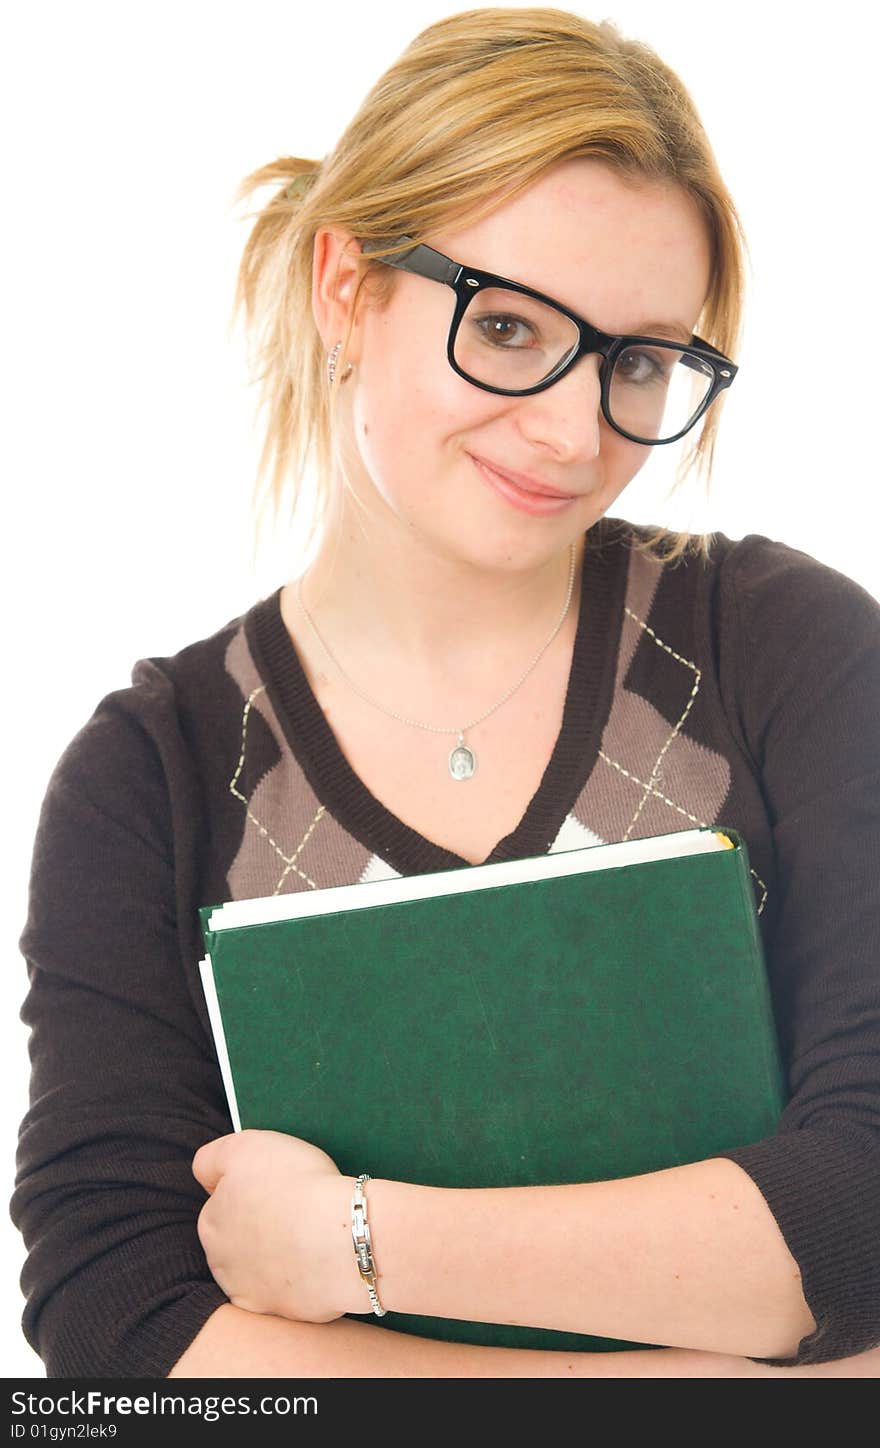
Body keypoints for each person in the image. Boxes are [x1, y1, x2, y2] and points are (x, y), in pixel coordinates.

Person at [11, 7, 880, 1379]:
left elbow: (868, 1211)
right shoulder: (152, 776)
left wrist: (352, 1242)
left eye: (642, 360)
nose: (574, 429)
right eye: (512, 325)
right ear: (346, 290)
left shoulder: (786, 651)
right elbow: (118, 1327)